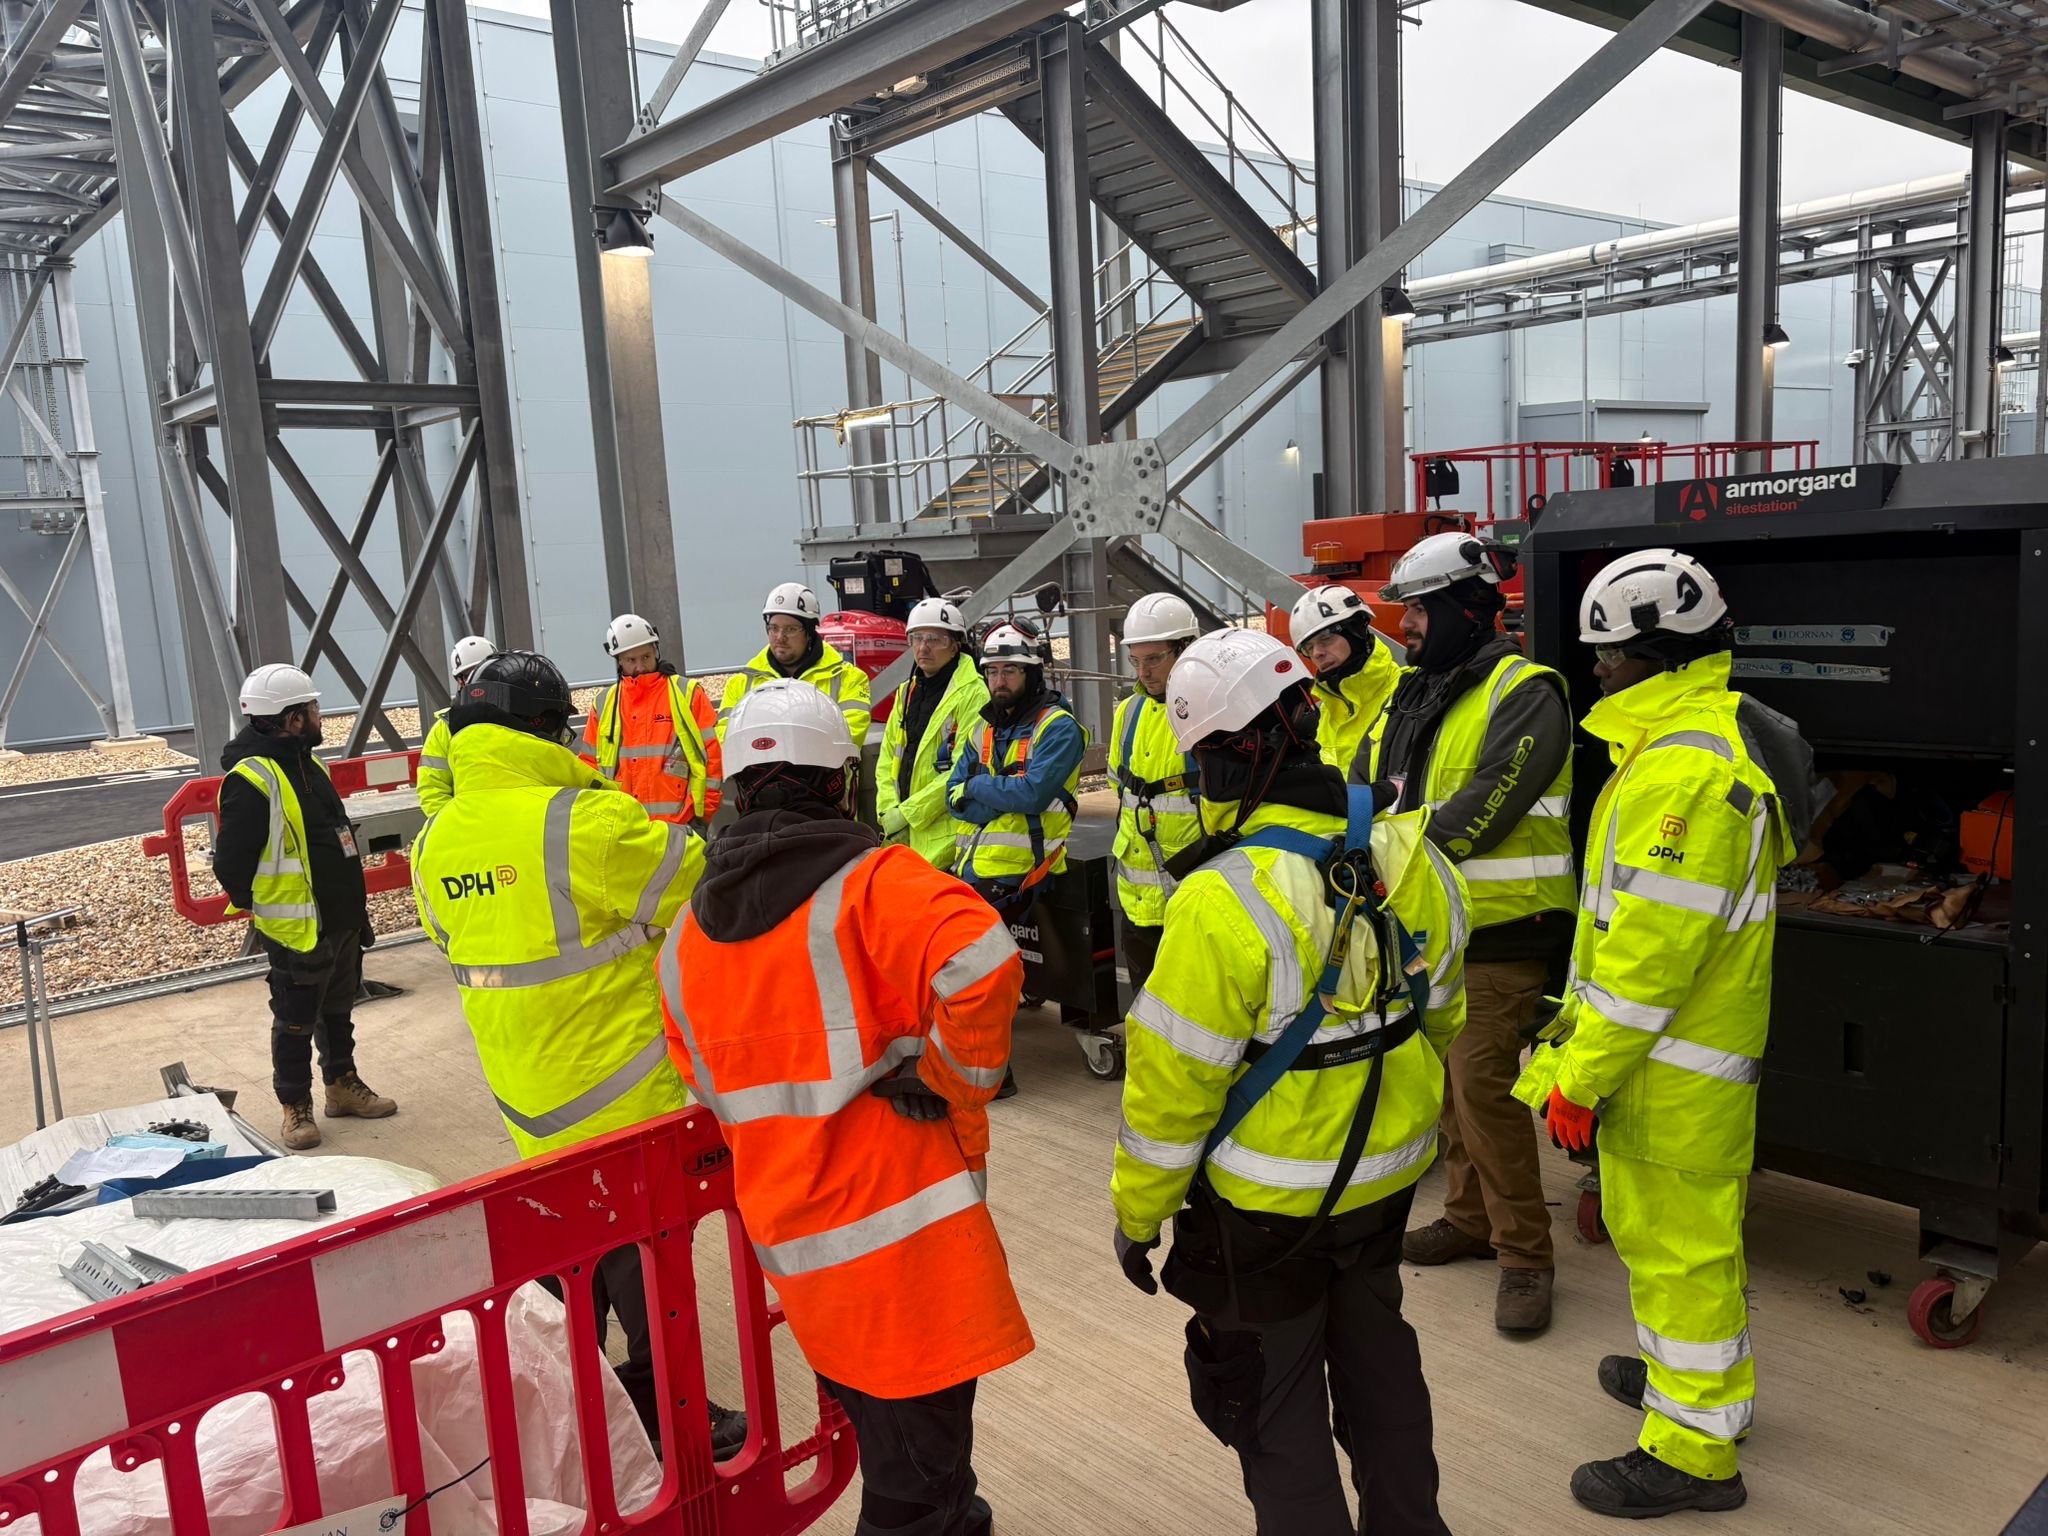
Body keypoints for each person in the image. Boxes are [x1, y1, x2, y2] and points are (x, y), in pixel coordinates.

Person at [1111, 628, 1470, 1536]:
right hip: (1387, 1179)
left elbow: (1171, 1094)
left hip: (1266, 1211)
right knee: (1381, 1371)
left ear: (1224, 761)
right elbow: (1445, 1012)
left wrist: (1139, 1214)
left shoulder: (1218, 900)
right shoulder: (1406, 852)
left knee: (1273, 1414)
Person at [661, 679, 1031, 1536]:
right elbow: (984, 966)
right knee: (915, 1503)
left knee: (900, 1455)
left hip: (801, 1252)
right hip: (906, 1255)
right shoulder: (876, 883)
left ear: (732, 792)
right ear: (840, 782)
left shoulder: (687, 938)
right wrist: (947, 1078)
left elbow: (711, 1088)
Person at [1513, 548, 1801, 1518]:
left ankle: (1692, 1453)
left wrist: (1579, 1076)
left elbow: (1647, 960)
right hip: (1674, 1065)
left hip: (1666, 1073)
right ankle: (1692, 1391)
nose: (1595, 672)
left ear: (1653, 654)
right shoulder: (1688, 744)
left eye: (1606, 657)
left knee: (1680, 1254)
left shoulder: (1678, 774)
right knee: (1671, 1245)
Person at [409, 650, 744, 1461]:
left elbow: (452, 938)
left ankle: (576, 1414)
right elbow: (704, 881)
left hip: (527, 1094)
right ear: (547, 730)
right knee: (650, 1272)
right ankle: (670, 1421)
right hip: (624, 1091)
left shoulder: (435, 839)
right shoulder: (582, 822)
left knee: (570, 1256)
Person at [1363, 533, 1575, 1333]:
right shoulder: (1416, 694)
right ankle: (1469, 1215)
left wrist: (1381, 845)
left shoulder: (1525, 691)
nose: (1406, 626)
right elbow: (1365, 781)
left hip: (1507, 930)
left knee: (1482, 1087)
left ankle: (1526, 1255)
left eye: (1417, 609)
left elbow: (1485, 811)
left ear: (1465, 607)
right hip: (1430, 927)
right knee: (1448, 1087)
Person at [214, 664, 396, 1152]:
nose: (320, 715)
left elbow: (336, 840)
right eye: (313, 709)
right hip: (297, 928)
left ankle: (342, 1086)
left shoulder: (308, 765)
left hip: (338, 918)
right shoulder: (251, 778)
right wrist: (270, 909)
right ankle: (295, 1106)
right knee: (295, 1019)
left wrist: (355, 912)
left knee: (337, 1011)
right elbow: (230, 864)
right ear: (292, 719)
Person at [945, 622, 1086, 908]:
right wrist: (1003, 798)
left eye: (1009, 671)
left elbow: (1031, 796)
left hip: (1025, 877)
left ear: (1031, 673)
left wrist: (975, 785)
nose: (999, 681)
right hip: (970, 870)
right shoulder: (982, 729)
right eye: (992, 671)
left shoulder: (1057, 728)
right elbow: (952, 798)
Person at [1108, 592, 1204, 994]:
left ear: (1185, 650)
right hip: (1138, 902)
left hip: (1193, 902)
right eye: (1136, 660)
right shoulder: (1128, 713)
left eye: (1154, 659)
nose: (1144, 672)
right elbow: (1119, 783)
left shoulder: (1209, 712)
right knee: (1149, 1012)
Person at [876, 596, 988, 870]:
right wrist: (888, 811)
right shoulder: (907, 692)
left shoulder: (975, 693)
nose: (924, 647)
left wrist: (906, 814)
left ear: (955, 645)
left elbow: (965, 768)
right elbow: (887, 758)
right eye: (917, 638)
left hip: (946, 839)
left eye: (934, 639)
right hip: (901, 836)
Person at [580, 612, 721, 828]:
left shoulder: (687, 694)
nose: (640, 667)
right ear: (619, 661)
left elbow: (712, 756)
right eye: (631, 660)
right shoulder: (603, 704)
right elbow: (588, 769)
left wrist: (702, 815)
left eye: (646, 657)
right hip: (624, 828)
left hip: (681, 827)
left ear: (656, 650)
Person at [718, 582, 872, 751]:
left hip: (823, 775)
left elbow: (849, 736)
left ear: (810, 632)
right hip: (759, 776)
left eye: (790, 629)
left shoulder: (848, 678)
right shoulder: (741, 682)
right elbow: (725, 738)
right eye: (773, 628)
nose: (780, 637)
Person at [1289, 583, 1399, 777]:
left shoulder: (1410, 694)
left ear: (1356, 630)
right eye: (1308, 647)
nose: (1317, 653)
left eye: (1326, 639)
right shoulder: (1319, 718)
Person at [417, 634, 496, 816]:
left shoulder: (520, 712)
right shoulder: (446, 728)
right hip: (470, 825)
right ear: (460, 680)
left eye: (486, 671)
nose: (480, 678)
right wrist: (453, 825)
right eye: (472, 673)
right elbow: (432, 789)